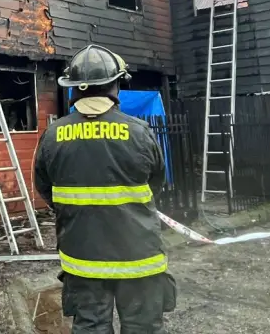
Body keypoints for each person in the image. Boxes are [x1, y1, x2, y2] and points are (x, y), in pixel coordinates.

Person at [33, 45, 176, 333]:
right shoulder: (139, 131)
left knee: (91, 327)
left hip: (82, 258)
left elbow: (45, 190)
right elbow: (155, 184)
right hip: (138, 257)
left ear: (73, 89)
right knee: (141, 327)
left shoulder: (51, 137)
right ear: (115, 85)